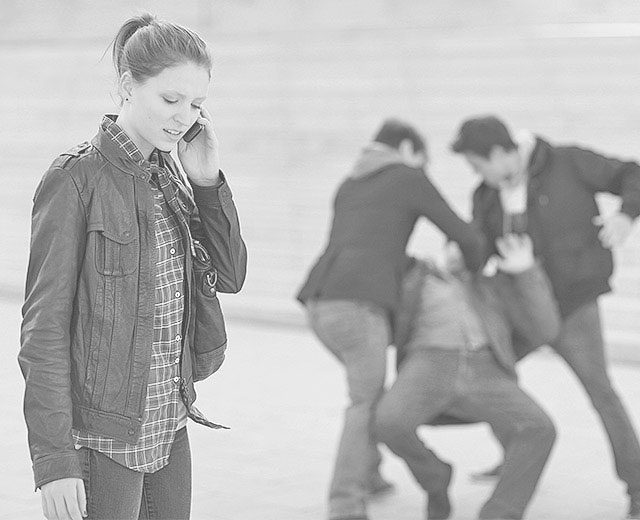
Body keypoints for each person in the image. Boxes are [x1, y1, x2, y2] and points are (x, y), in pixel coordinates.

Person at [18, 13, 247, 520]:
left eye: (196, 104)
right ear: (127, 85)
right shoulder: (75, 178)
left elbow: (229, 275)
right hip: (104, 436)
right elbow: (43, 331)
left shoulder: (174, 176)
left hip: (171, 420)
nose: (183, 117)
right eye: (170, 100)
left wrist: (207, 182)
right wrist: (55, 462)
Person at [296, 118, 487, 520]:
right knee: (365, 403)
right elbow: (464, 234)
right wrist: (473, 271)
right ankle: (346, 506)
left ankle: (372, 474)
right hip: (359, 308)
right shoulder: (407, 176)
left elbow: (368, 244)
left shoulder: (350, 183)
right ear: (407, 149)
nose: (423, 168)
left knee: (369, 394)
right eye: (422, 159)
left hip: (319, 304)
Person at [451, 115, 640, 519]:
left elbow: (632, 173)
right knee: (489, 376)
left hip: (573, 306)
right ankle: (517, 454)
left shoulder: (567, 162)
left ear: (501, 153)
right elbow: (482, 248)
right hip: (520, 307)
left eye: (477, 165)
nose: (476, 174)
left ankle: (638, 486)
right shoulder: (486, 195)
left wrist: (626, 215)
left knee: (601, 392)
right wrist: (461, 253)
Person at [376, 234, 559, 520]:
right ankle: (436, 477)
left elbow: (546, 329)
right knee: (388, 422)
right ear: (444, 247)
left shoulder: (491, 286)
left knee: (539, 428)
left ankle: (500, 513)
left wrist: (527, 271)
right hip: (428, 361)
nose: (459, 254)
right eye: (454, 246)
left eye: (467, 249)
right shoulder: (417, 278)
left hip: (485, 366)